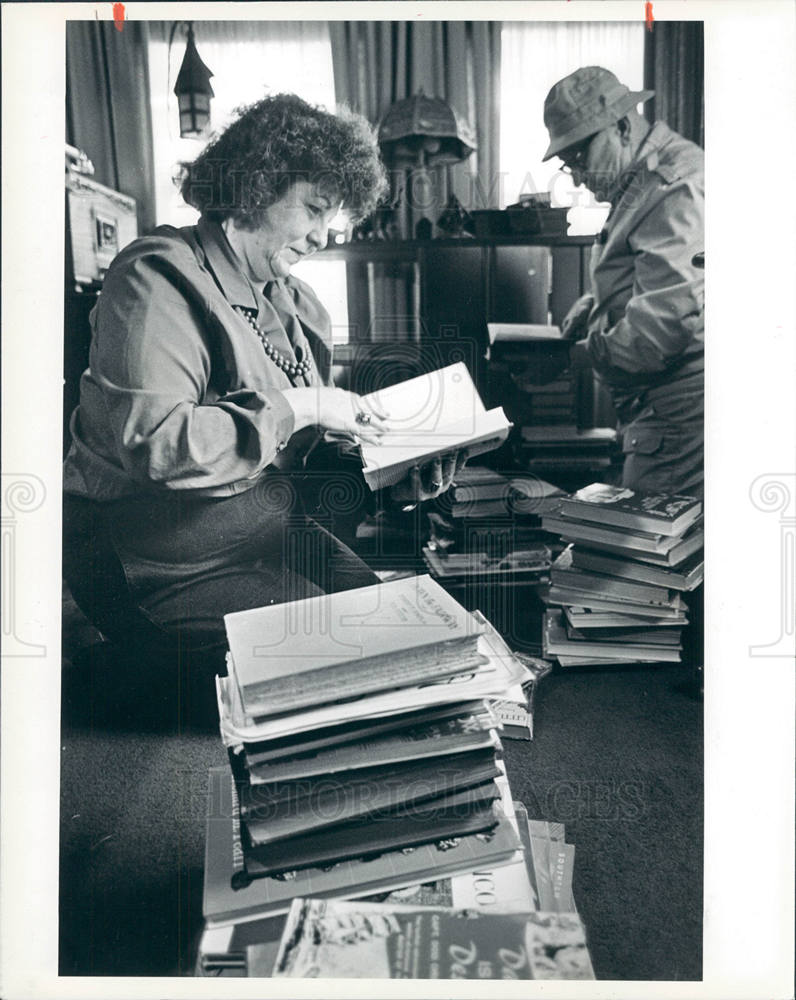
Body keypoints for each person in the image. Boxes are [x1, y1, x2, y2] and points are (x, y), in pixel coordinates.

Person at [62, 93, 462, 688]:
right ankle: (103, 667)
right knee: (344, 671)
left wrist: (391, 468)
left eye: (334, 218)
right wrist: (303, 403)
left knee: (393, 642)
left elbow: (299, 453)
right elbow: (157, 446)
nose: (324, 237)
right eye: (314, 209)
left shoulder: (297, 305)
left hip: (267, 531)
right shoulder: (156, 276)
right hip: (153, 558)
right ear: (255, 185)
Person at [543, 66, 704, 498]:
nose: (576, 176)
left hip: (679, 414)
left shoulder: (673, 186)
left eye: (581, 157)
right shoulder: (640, 181)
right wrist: (595, 303)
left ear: (622, 126)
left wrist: (567, 358)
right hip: (659, 410)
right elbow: (648, 269)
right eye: (568, 162)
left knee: (642, 555)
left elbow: (658, 333)